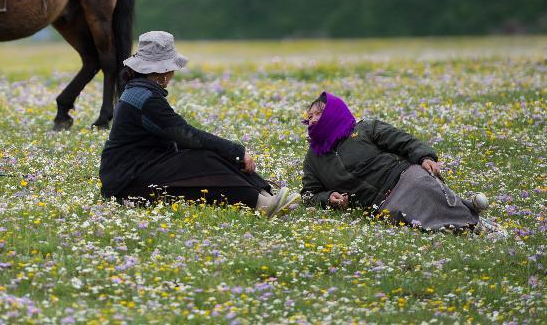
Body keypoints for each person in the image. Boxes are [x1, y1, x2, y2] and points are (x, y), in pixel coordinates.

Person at [100, 31, 300, 217]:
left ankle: (264, 195)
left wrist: (232, 153)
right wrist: (236, 151)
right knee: (204, 161)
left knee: (209, 155)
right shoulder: (145, 98)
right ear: (163, 71)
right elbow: (186, 135)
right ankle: (261, 204)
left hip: (134, 172)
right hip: (127, 181)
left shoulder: (139, 91)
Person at [300, 91, 502, 235]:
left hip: (404, 177)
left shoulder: (366, 129)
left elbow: (404, 142)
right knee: (411, 221)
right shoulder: (313, 159)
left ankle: (476, 222)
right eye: (310, 117)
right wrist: (328, 198)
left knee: (424, 188)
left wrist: (425, 157)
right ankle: (468, 218)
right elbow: (309, 194)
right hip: (382, 204)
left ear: (335, 113)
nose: (314, 120)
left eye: (319, 113)